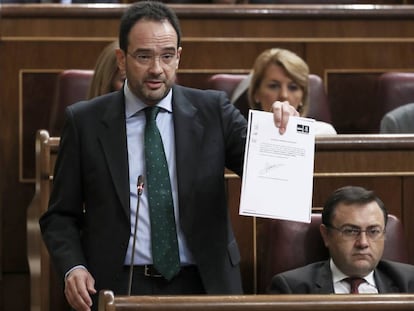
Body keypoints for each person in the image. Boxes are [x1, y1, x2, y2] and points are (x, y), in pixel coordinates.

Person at [39, 2, 298, 311]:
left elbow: (273, 180)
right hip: (118, 284)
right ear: (121, 59)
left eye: (166, 56)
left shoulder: (213, 111)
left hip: (204, 283)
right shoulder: (85, 122)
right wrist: (73, 266)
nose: (156, 69)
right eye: (144, 56)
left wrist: (282, 129)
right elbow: (59, 216)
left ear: (178, 56)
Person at [268, 185, 414, 294]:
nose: (363, 243)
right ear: (326, 235)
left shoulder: (409, 283)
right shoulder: (292, 288)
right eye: (350, 231)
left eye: (373, 231)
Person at [231, 48, 337, 135]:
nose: (284, 95)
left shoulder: (322, 133)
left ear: (302, 97)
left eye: (293, 87)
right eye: (273, 86)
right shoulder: (241, 135)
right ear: (256, 94)